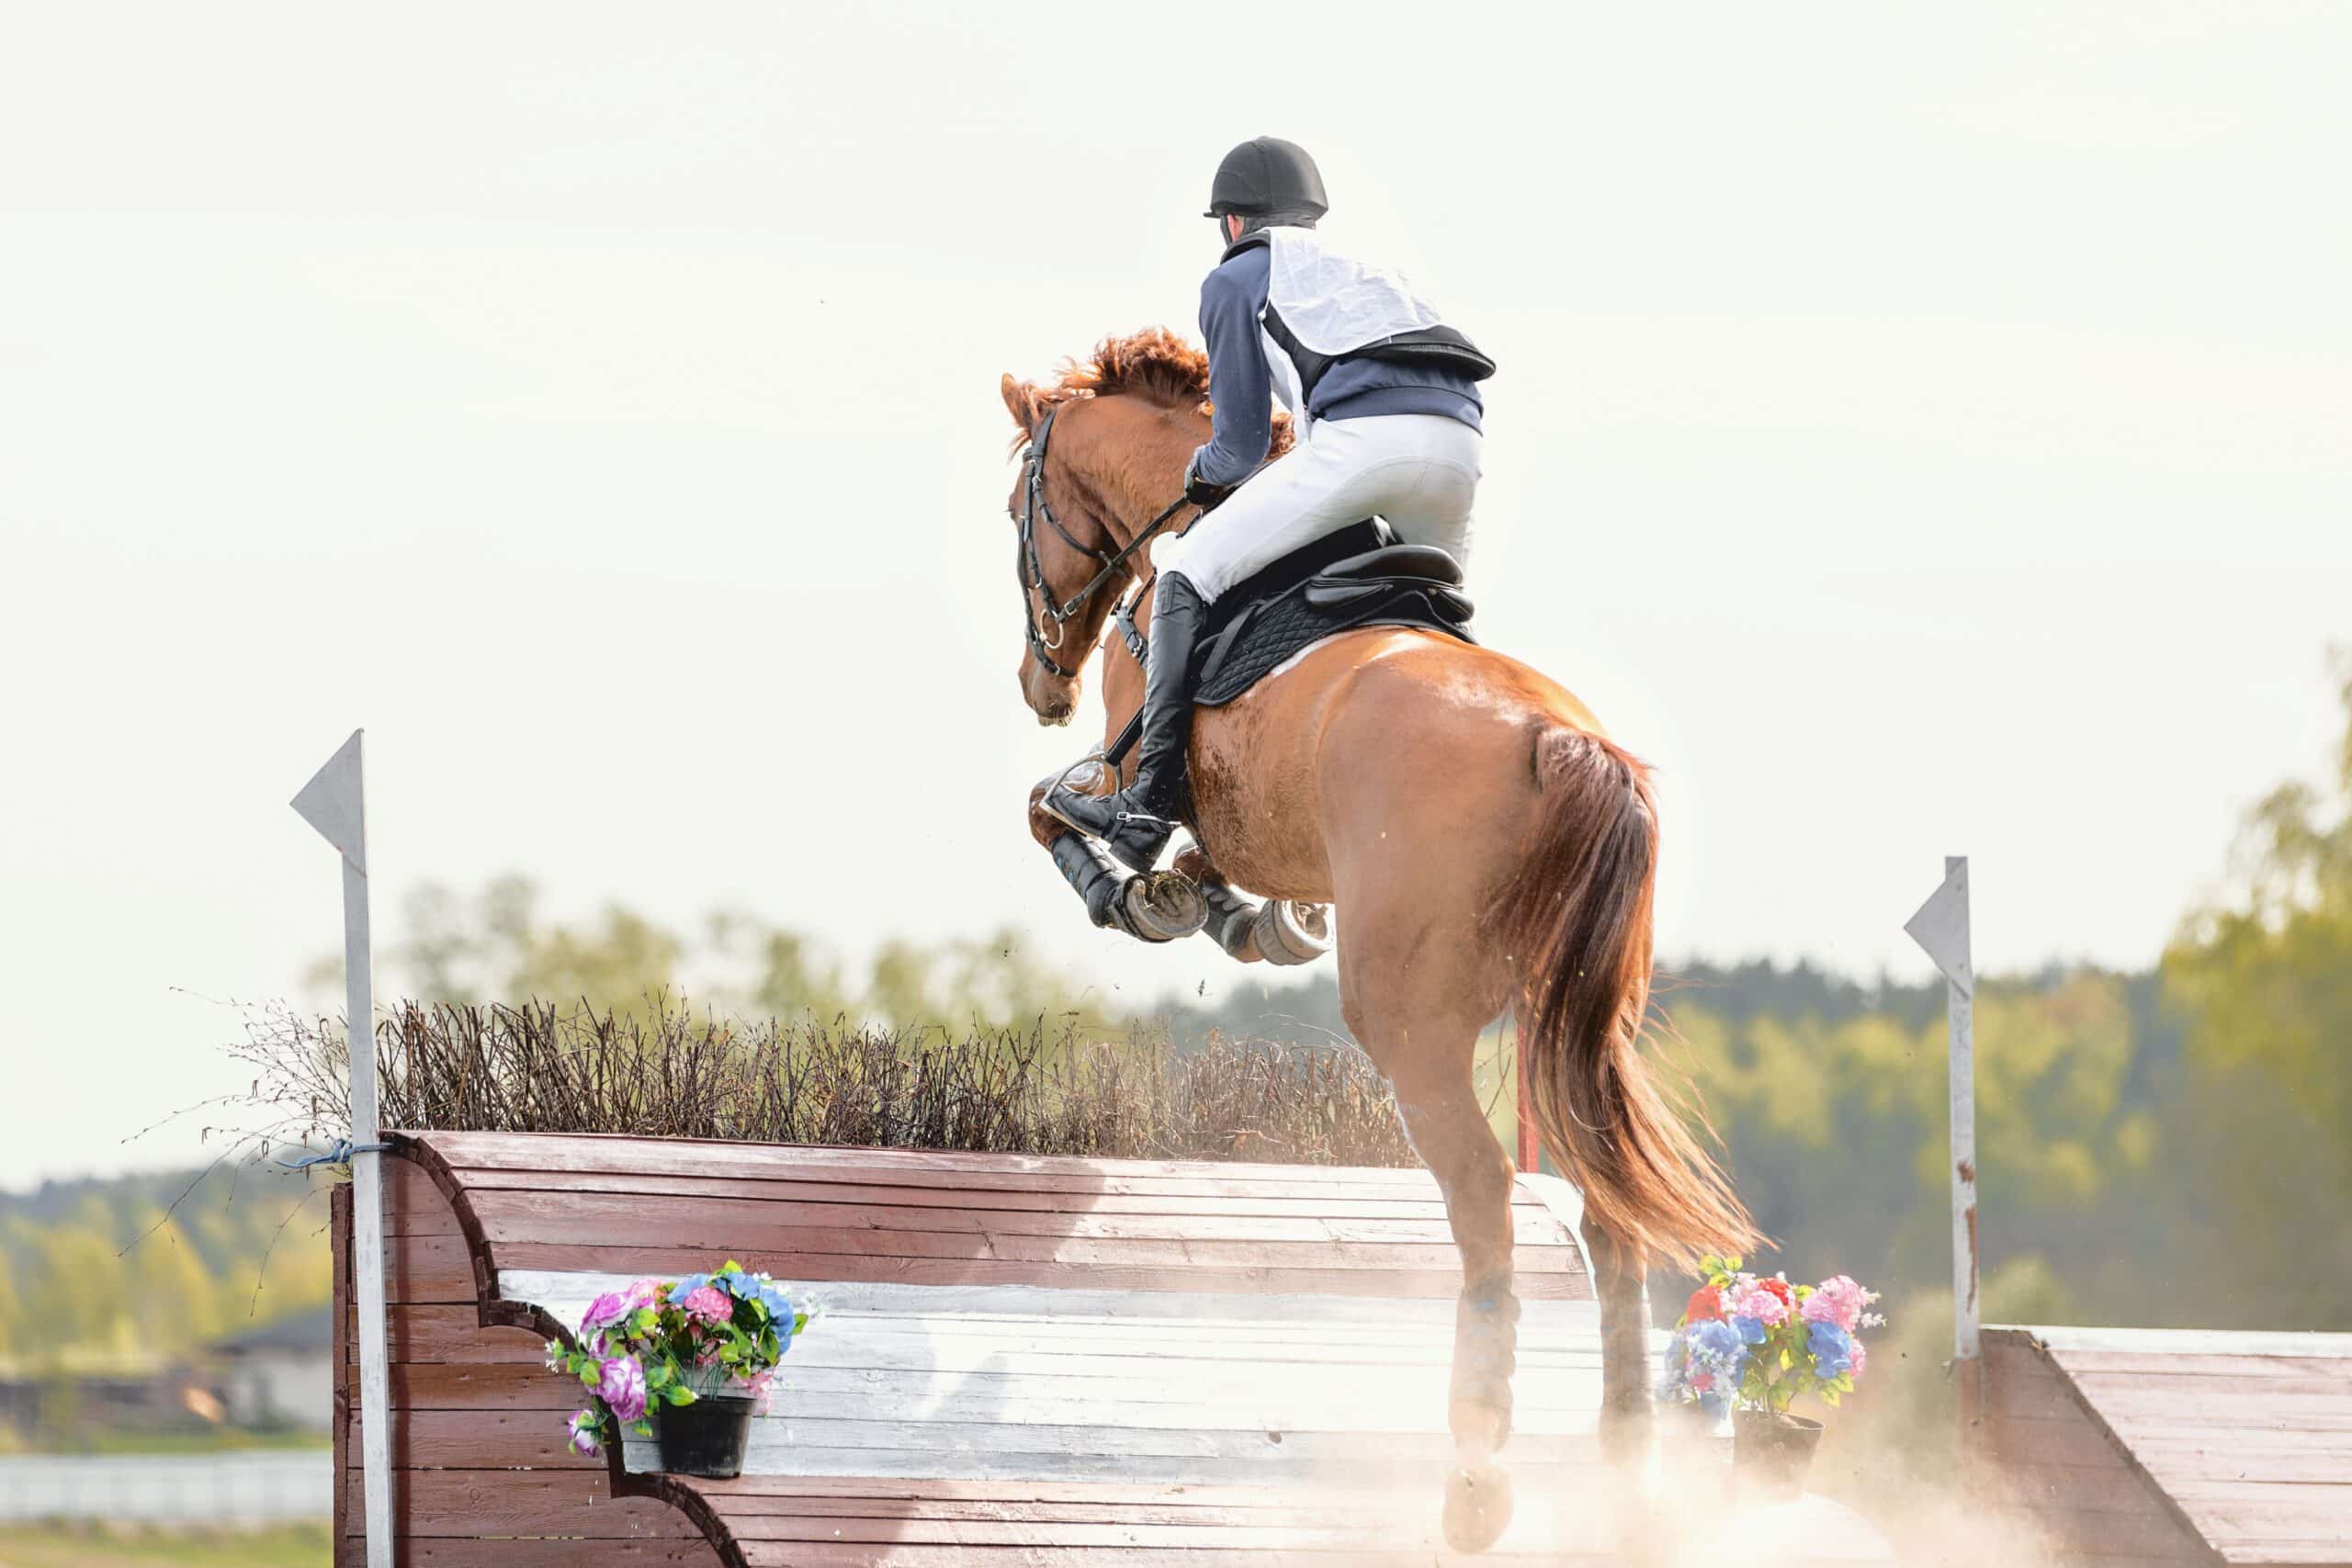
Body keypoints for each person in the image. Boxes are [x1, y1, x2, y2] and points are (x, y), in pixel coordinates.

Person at [1044, 136, 1495, 873]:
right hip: (1459, 453)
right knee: (1430, 620)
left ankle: (1146, 803)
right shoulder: (1367, 275)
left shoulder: (1236, 277)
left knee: (1185, 568)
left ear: (1231, 224)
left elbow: (1243, 447)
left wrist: (1198, 474)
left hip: (1365, 445)